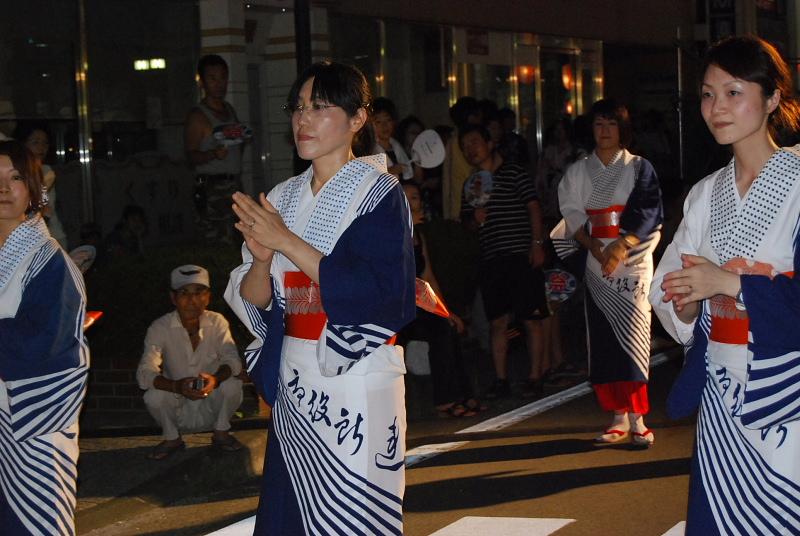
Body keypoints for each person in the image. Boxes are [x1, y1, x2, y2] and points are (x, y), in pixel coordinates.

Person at [225, 61, 415, 534]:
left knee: (352, 511)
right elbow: (257, 300)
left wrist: (286, 241)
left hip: (355, 369)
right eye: (298, 108)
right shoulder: (284, 196)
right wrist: (264, 258)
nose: (302, 120)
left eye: (320, 108)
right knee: (290, 510)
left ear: (357, 120)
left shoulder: (380, 192)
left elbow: (377, 292)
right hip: (296, 372)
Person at [650, 35, 800, 534]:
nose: (717, 108)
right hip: (722, 393)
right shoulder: (703, 194)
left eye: (734, 92)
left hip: (787, 389)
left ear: (773, 97)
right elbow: (669, 286)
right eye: (708, 94)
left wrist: (732, 284)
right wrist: (688, 304)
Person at [557, 98, 663, 447]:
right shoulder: (577, 170)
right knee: (601, 339)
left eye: (611, 124)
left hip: (631, 259)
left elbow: (649, 211)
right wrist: (592, 245)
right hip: (596, 258)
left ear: (623, 130)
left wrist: (622, 244)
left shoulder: (639, 167)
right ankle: (617, 417)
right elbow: (572, 214)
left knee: (634, 338)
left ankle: (639, 418)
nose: (604, 131)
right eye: (599, 124)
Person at [0, 140, 89, 534]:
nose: (3, 189)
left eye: (15, 178)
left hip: (32, 424)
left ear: (35, 190)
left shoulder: (51, 261)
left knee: (35, 523)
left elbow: (45, 348)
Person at [459, 124, 549, 399]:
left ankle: (535, 376)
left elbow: (533, 206)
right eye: (465, 147)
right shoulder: (471, 184)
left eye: (475, 141)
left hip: (520, 254)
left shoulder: (513, 172)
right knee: (498, 321)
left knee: (531, 318)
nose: (470, 150)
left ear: (490, 142)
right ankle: (501, 379)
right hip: (492, 258)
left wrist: (536, 244)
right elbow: (466, 224)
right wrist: (474, 219)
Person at [137, 264, 244, 460]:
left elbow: (232, 359)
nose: (192, 300)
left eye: (199, 292)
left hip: (212, 404)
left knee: (233, 384)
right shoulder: (160, 327)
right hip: (179, 408)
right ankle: (172, 438)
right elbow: (145, 371)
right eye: (184, 293)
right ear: (173, 298)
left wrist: (215, 380)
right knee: (153, 396)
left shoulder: (217, 321)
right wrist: (176, 386)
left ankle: (221, 432)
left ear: (208, 296)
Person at [398, 181, 483, 417]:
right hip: (394, 309)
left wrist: (447, 312)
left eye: (415, 197)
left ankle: (464, 395)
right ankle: (444, 402)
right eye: (407, 198)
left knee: (448, 325)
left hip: (416, 306)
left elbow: (428, 279)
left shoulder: (419, 236)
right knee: (439, 330)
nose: (413, 203)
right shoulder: (391, 233)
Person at [184, 54, 249, 244]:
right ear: (202, 82)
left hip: (234, 186)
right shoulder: (198, 116)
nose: (219, 84)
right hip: (211, 190)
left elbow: (238, 143)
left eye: (223, 77)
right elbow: (190, 157)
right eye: (212, 78)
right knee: (214, 244)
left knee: (238, 242)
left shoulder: (229, 110)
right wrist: (213, 154)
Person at [13, 121, 68, 248]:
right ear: (22, 145)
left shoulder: (47, 171)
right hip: (26, 238)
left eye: (45, 143)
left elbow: (48, 207)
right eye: (35, 142)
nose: (41, 147)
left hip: (53, 235)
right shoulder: (15, 173)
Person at [371, 96, 418, 182]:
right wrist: (390, 171)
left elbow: (413, 179)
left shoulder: (399, 147)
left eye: (388, 120)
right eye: (378, 122)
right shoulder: (368, 152)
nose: (384, 126)